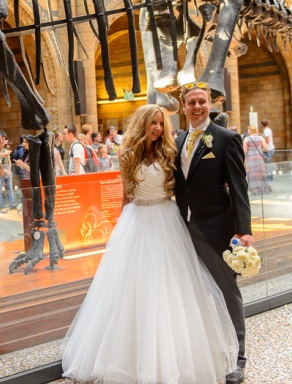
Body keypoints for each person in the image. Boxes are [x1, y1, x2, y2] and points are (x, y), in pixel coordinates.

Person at [62, 104, 239, 383]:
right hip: (137, 219)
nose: (157, 128)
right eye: (153, 123)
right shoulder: (127, 153)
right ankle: (128, 358)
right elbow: (125, 193)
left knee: (169, 285)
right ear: (143, 124)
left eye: (160, 123)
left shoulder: (168, 151)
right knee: (133, 287)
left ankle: (174, 357)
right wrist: (120, 228)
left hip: (166, 219)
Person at [173, 82, 253, 384]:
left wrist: (244, 230)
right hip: (182, 229)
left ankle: (237, 358)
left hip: (217, 228)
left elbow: (239, 187)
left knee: (227, 292)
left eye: (202, 101)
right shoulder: (178, 140)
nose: (197, 107)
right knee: (194, 292)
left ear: (210, 103)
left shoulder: (226, 139)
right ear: (183, 107)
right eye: (191, 102)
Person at [243, 125, 270, 195]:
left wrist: (245, 163)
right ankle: (263, 189)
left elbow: (244, 151)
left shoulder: (246, 139)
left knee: (252, 174)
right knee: (260, 173)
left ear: (250, 131)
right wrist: (259, 149)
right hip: (259, 158)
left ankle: (254, 190)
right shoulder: (260, 138)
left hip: (250, 159)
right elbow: (266, 147)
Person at [0, 131, 14, 213]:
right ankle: (1, 207)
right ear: (0, 137)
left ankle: (2, 206)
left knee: (0, 188)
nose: (4, 142)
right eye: (3, 139)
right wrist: (5, 153)